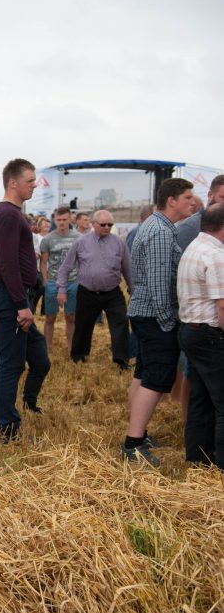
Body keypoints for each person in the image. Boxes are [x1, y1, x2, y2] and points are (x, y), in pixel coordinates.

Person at [122, 178, 196, 465]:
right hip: (154, 315)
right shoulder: (161, 233)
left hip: (146, 313)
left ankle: (138, 433)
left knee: (143, 374)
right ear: (172, 200)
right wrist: (168, 321)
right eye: (188, 197)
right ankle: (134, 443)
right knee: (156, 378)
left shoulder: (157, 227)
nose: (193, 202)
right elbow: (158, 282)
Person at [0, 159, 51, 440]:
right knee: (9, 364)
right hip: (11, 296)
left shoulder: (4, 212)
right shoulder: (9, 215)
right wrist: (22, 304)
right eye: (30, 180)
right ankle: (7, 427)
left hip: (6, 293)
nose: (34, 185)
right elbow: (7, 263)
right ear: (13, 183)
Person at [175, 203, 224, 469]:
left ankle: (197, 457)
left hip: (191, 331)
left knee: (200, 399)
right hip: (209, 335)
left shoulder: (195, 247)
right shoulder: (216, 255)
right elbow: (222, 305)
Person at [57, 209, 133, 369]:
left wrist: (133, 290)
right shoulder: (81, 242)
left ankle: (121, 360)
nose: (107, 227)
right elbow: (65, 268)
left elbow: (127, 269)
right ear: (93, 224)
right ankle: (78, 357)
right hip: (87, 292)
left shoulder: (119, 243)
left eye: (110, 225)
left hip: (112, 292)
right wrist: (62, 289)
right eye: (103, 224)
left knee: (121, 323)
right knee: (83, 326)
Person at [39, 206, 80, 351]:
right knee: (50, 317)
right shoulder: (48, 239)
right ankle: (46, 348)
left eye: (64, 219)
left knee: (71, 317)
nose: (61, 223)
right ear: (54, 220)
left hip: (73, 281)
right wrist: (45, 281)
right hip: (53, 282)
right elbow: (43, 262)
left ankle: (71, 348)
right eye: (59, 220)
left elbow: (82, 260)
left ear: (70, 219)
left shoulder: (78, 238)